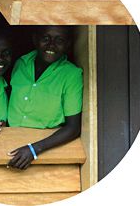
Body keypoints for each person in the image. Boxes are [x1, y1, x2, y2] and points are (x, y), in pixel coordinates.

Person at [7, 26, 83, 170]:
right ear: (35, 39)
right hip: (7, 147)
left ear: (67, 45)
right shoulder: (20, 63)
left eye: (59, 40)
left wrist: (34, 149)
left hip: (44, 152)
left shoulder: (72, 75)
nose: (51, 45)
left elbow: (73, 128)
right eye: (45, 38)